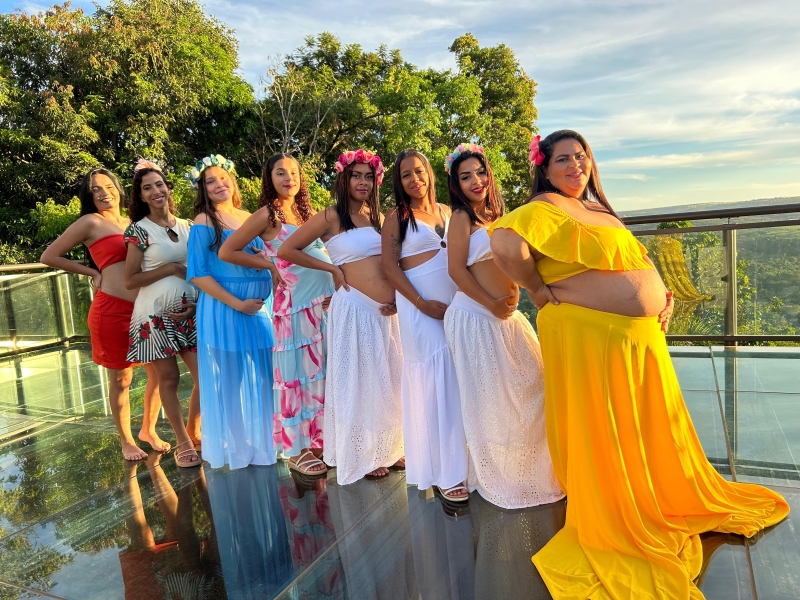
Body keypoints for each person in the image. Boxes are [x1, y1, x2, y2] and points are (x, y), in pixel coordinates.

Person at [488, 130, 790, 599]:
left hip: (636, 339)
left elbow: (635, 257)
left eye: (581, 157)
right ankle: (624, 512)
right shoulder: (545, 207)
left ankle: (653, 493)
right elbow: (507, 246)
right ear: (544, 169)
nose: (575, 166)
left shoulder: (596, 209)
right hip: (592, 336)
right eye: (563, 159)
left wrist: (661, 293)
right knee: (609, 427)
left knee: (643, 426)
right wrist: (538, 288)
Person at [443, 143, 563, 509]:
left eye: (480, 172)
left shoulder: (500, 213)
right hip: (476, 315)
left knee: (533, 386)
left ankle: (532, 471)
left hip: (508, 318)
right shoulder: (461, 217)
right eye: (466, 177)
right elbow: (456, 271)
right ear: (456, 184)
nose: (476, 181)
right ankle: (500, 476)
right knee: (490, 399)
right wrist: (491, 303)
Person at [277, 149, 404, 484]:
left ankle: (388, 448)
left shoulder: (378, 218)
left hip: (386, 313)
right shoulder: (332, 216)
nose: (363, 182)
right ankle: (362, 454)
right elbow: (287, 250)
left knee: (388, 380)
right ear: (344, 179)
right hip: (354, 307)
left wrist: (399, 298)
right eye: (355, 176)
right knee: (359, 381)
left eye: (368, 176)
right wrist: (332, 269)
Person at [219, 154, 334, 476]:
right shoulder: (267, 215)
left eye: (294, 172)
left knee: (320, 375)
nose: (288, 178)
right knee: (297, 374)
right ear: (269, 179)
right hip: (295, 306)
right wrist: (269, 264)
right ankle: (296, 450)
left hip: (321, 306)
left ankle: (317, 441)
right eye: (280, 173)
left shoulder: (307, 213)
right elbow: (228, 251)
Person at [40, 167, 163, 461]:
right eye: (95, 189)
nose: (103, 193)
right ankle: (126, 441)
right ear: (89, 196)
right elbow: (49, 256)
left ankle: (148, 430)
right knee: (121, 380)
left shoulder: (135, 221)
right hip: (112, 310)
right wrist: (93, 272)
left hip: (147, 309)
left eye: (107, 186)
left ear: (118, 189)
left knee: (161, 374)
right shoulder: (90, 222)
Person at [381, 149, 468, 503]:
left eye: (419, 171)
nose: (415, 179)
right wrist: (420, 303)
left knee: (457, 380)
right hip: (419, 309)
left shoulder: (448, 211)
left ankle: (464, 462)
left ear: (430, 173)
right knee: (436, 381)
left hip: (454, 306)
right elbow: (389, 267)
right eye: (406, 175)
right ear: (399, 182)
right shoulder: (397, 217)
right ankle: (445, 472)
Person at [186, 154, 276, 470]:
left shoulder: (247, 216)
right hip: (225, 308)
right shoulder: (204, 221)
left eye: (223, 178)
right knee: (232, 378)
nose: (219, 184)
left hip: (259, 308)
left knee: (270, 374)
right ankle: (240, 442)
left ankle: (273, 436)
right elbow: (198, 273)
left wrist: (262, 256)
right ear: (203, 189)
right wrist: (237, 304)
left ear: (233, 181)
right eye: (210, 181)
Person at [124, 161, 200, 468]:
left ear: (168, 188)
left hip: (190, 314)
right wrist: (169, 268)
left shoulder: (189, 226)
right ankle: (183, 443)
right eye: (147, 188)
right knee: (168, 379)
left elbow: (201, 270)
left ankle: (194, 430)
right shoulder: (139, 230)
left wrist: (198, 302)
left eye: (159, 184)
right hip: (153, 317)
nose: (155, 191)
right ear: (141, 196)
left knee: (205, 376)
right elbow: (130, 280)